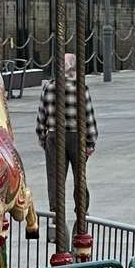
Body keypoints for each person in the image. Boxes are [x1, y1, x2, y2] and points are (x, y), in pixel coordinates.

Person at [35, 52, 97, 216]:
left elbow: (42, 115)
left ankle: (56, 209)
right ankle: (82, 208)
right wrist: (90, 142)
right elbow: (88, 116)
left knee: (55, 176)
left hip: (54, 136)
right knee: (80, 176)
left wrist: (42, 137)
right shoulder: (81, 88)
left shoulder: (49, 87)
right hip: (77, 136)